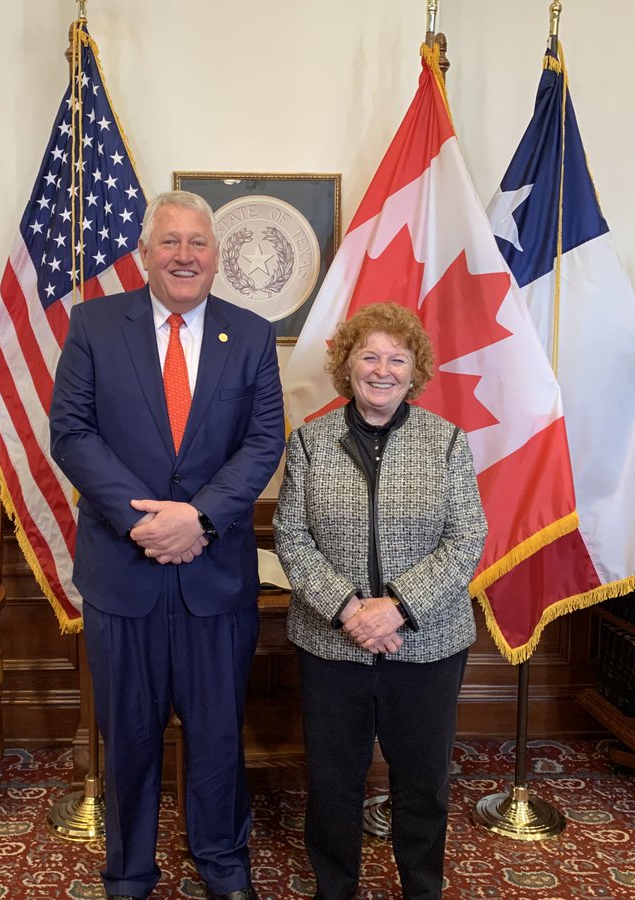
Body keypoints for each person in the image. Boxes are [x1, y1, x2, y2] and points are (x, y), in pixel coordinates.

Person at [50, 190, 285, 900]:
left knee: (217, 732)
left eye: (198, 243)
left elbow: (263, 441)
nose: (185, 255)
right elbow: (73, 432)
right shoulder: (93, 324)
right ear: (147, 254)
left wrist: (200, 519)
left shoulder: (248, 334)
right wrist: (145, 522)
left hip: (215, 575)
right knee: (128, 736)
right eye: (171, 242)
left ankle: (222, 861)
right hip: (123, 573)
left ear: (217, 258)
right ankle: (128, 869)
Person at [273, 302, 486, 900]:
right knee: (333, 781)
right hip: (330, 646)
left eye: (398, 357)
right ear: (346, 365)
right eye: (369, 355)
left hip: (428, 645)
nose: (383, 369)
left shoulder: (446, 441)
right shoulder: (312, 442)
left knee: (422, 783)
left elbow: (467, 535)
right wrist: (348, 611)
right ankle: (333, 889)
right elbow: (292, 535)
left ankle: (422, 887)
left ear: (415, 369)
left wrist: (397, 607)